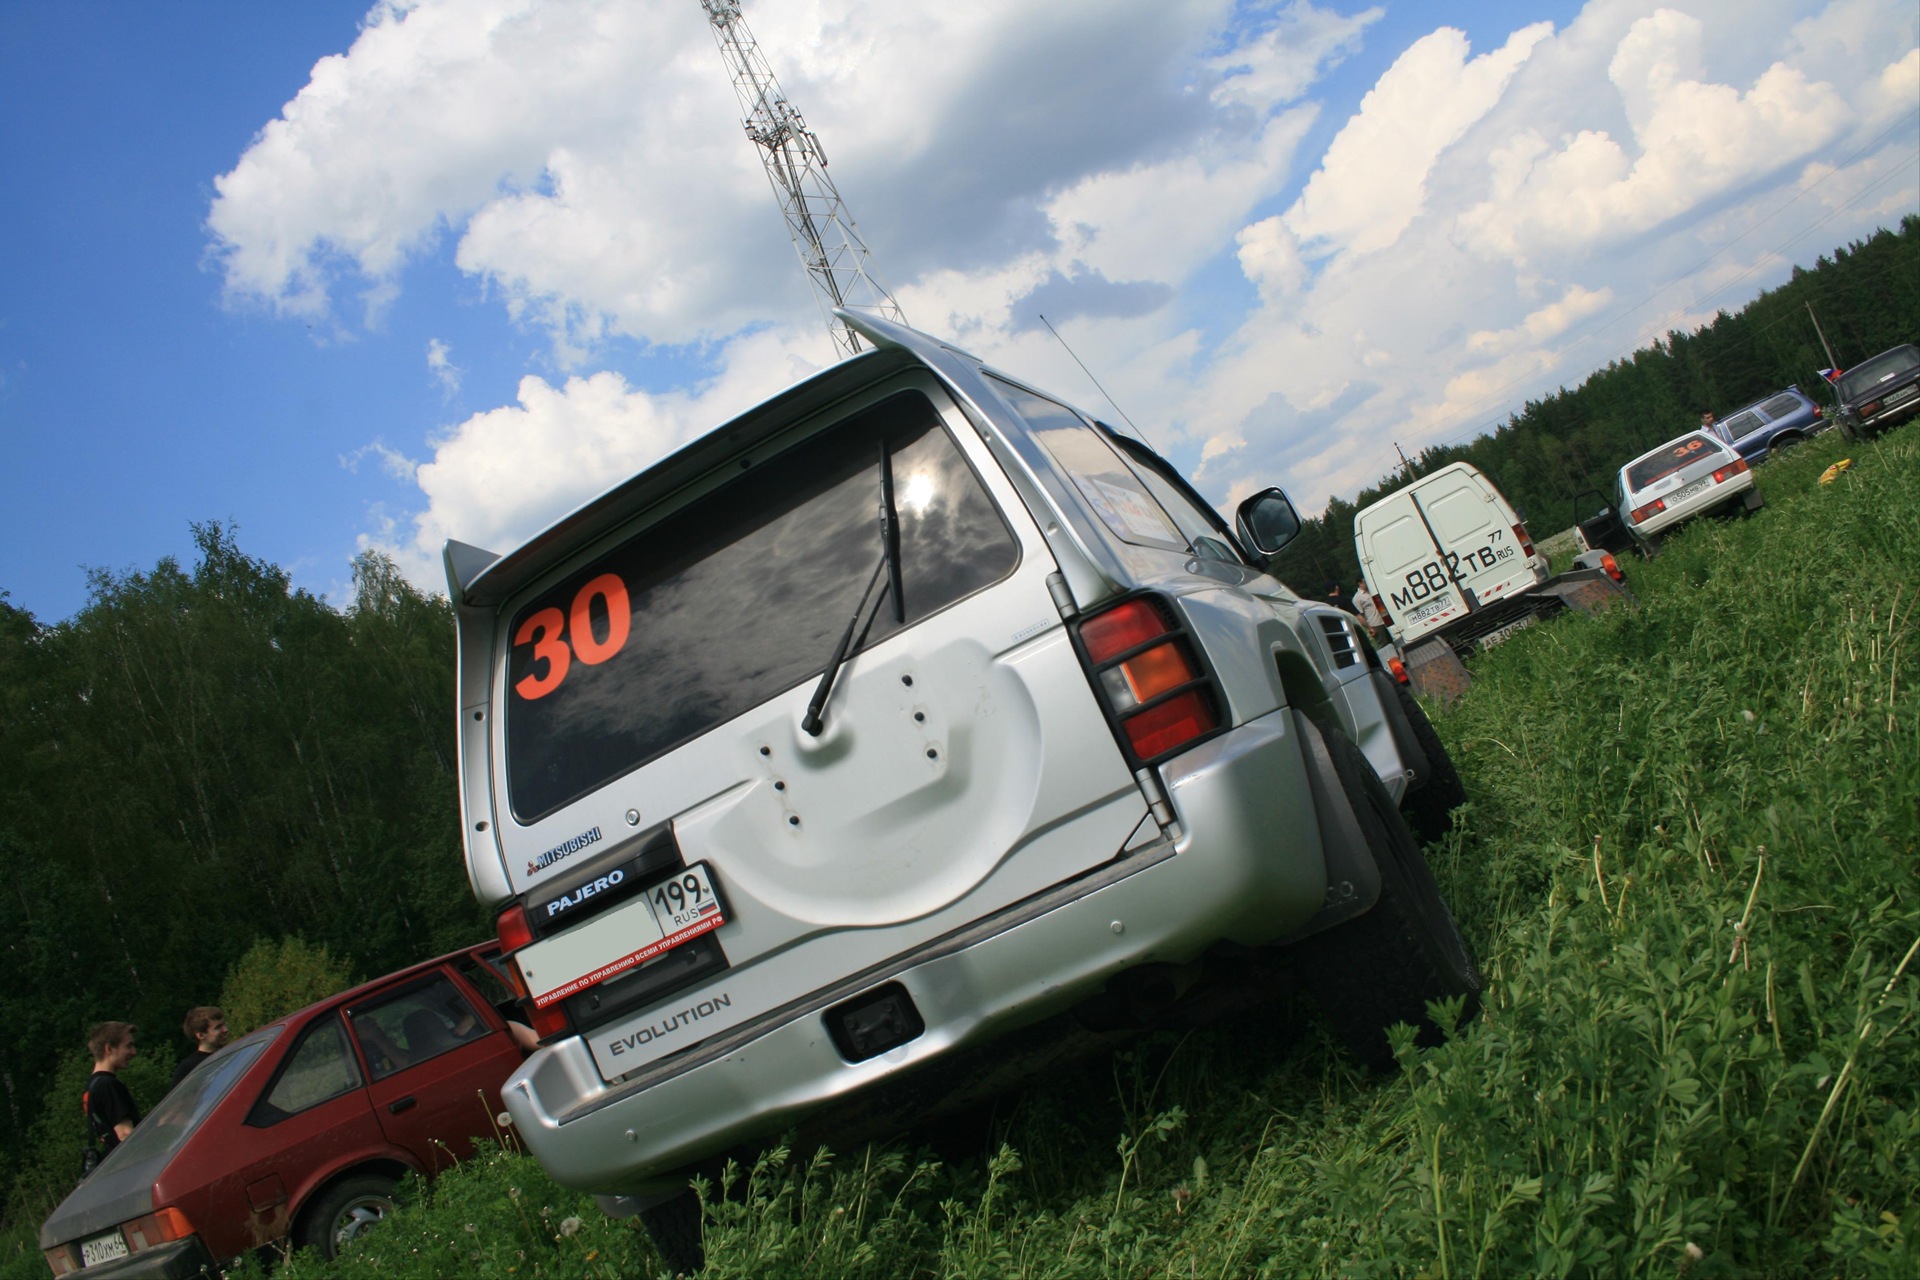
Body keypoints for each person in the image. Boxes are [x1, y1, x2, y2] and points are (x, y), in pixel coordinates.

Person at [84, 1022, 140, 1157]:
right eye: (128, 1046)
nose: (134, 1052)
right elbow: (125, 1134)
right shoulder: (108, 1085)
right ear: (109, 1048)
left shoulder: (92, 1085)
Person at [169, 1007, 230, 1090]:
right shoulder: (189, 1068)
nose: (225, 1029)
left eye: (224, 1024)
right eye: (218, 1027)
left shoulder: (233, 1054)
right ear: (201, 1035)